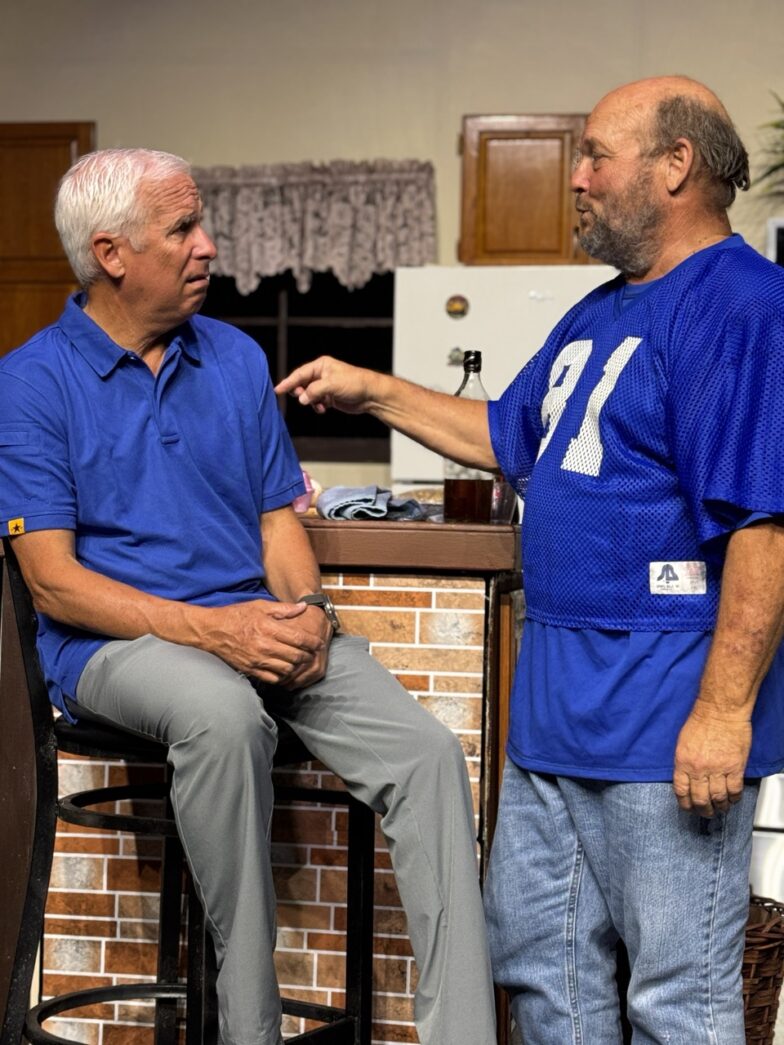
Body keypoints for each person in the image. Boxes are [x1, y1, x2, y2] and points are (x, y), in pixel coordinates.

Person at [276, 76, 784, 1043]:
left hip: (662, 707)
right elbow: (509, 434)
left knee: (679, 998)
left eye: (596, 153)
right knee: (544, 976)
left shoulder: (745, 307)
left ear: (676, 164)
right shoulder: (599, 311)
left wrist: (724, 712)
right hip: (552, 709)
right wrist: (371, 390)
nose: (578, 177)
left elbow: (765, 524)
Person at [0, 148, 498, 1045]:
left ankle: (463, 1034)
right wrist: (218, 632)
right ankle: (249, 1026)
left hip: (256, 625)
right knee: (225, 715)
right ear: (112, 254)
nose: (209, 246)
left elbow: (278, 522)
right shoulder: (31, 383)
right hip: (115, 648)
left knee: (427, 756)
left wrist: (309, 612)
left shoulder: (231, 357)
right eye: (183, 228)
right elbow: (54, 580)